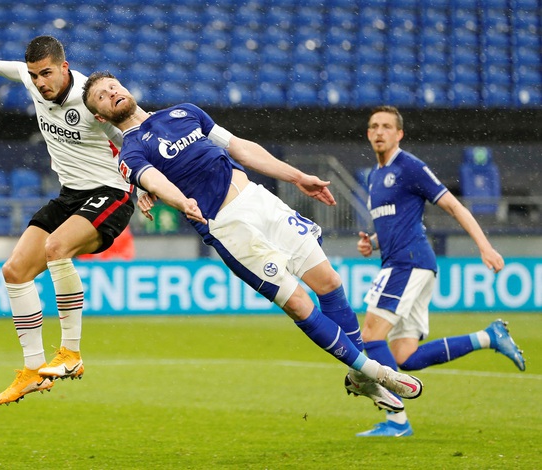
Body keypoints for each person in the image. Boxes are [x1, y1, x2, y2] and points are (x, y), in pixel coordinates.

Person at [82, 71, 425, 408]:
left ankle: (361, 379)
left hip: (260, 201)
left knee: (329, 282)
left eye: (113, 86)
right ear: (100, 115)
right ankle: (375, 371)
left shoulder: (184, 111)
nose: (111, 92)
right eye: (102, 95)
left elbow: (241, 148)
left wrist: (297, 176)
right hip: (228, 226)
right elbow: (154, 181)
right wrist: (179, 200)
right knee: (298, 303)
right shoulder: (130, 153)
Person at [0, 37, 135, 405]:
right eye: (35, 76)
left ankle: (72, 354)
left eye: (46, 74)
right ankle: (34, 371)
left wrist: (146, 181)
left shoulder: (90, 98)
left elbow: (132, 133)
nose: (40, 83)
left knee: (56, 248)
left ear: (64, 68)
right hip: (70, 196)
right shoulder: (33, 79)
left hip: (111, 194)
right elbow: (11, 68)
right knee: (15, 271)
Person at [353, 105, 526, 437]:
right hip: (406, 261)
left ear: (399, 133)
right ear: (367, 133)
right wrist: (372, 243)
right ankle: (489, 336)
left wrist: (484, 246)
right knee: (406, 356)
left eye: (387, 126)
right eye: (374, 126)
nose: (379, 131)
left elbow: (453, 205)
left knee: (372, 336)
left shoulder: (410, 166)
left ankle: (397, 422)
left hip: (409, 262)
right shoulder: (376, 176)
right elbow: (399, 220)